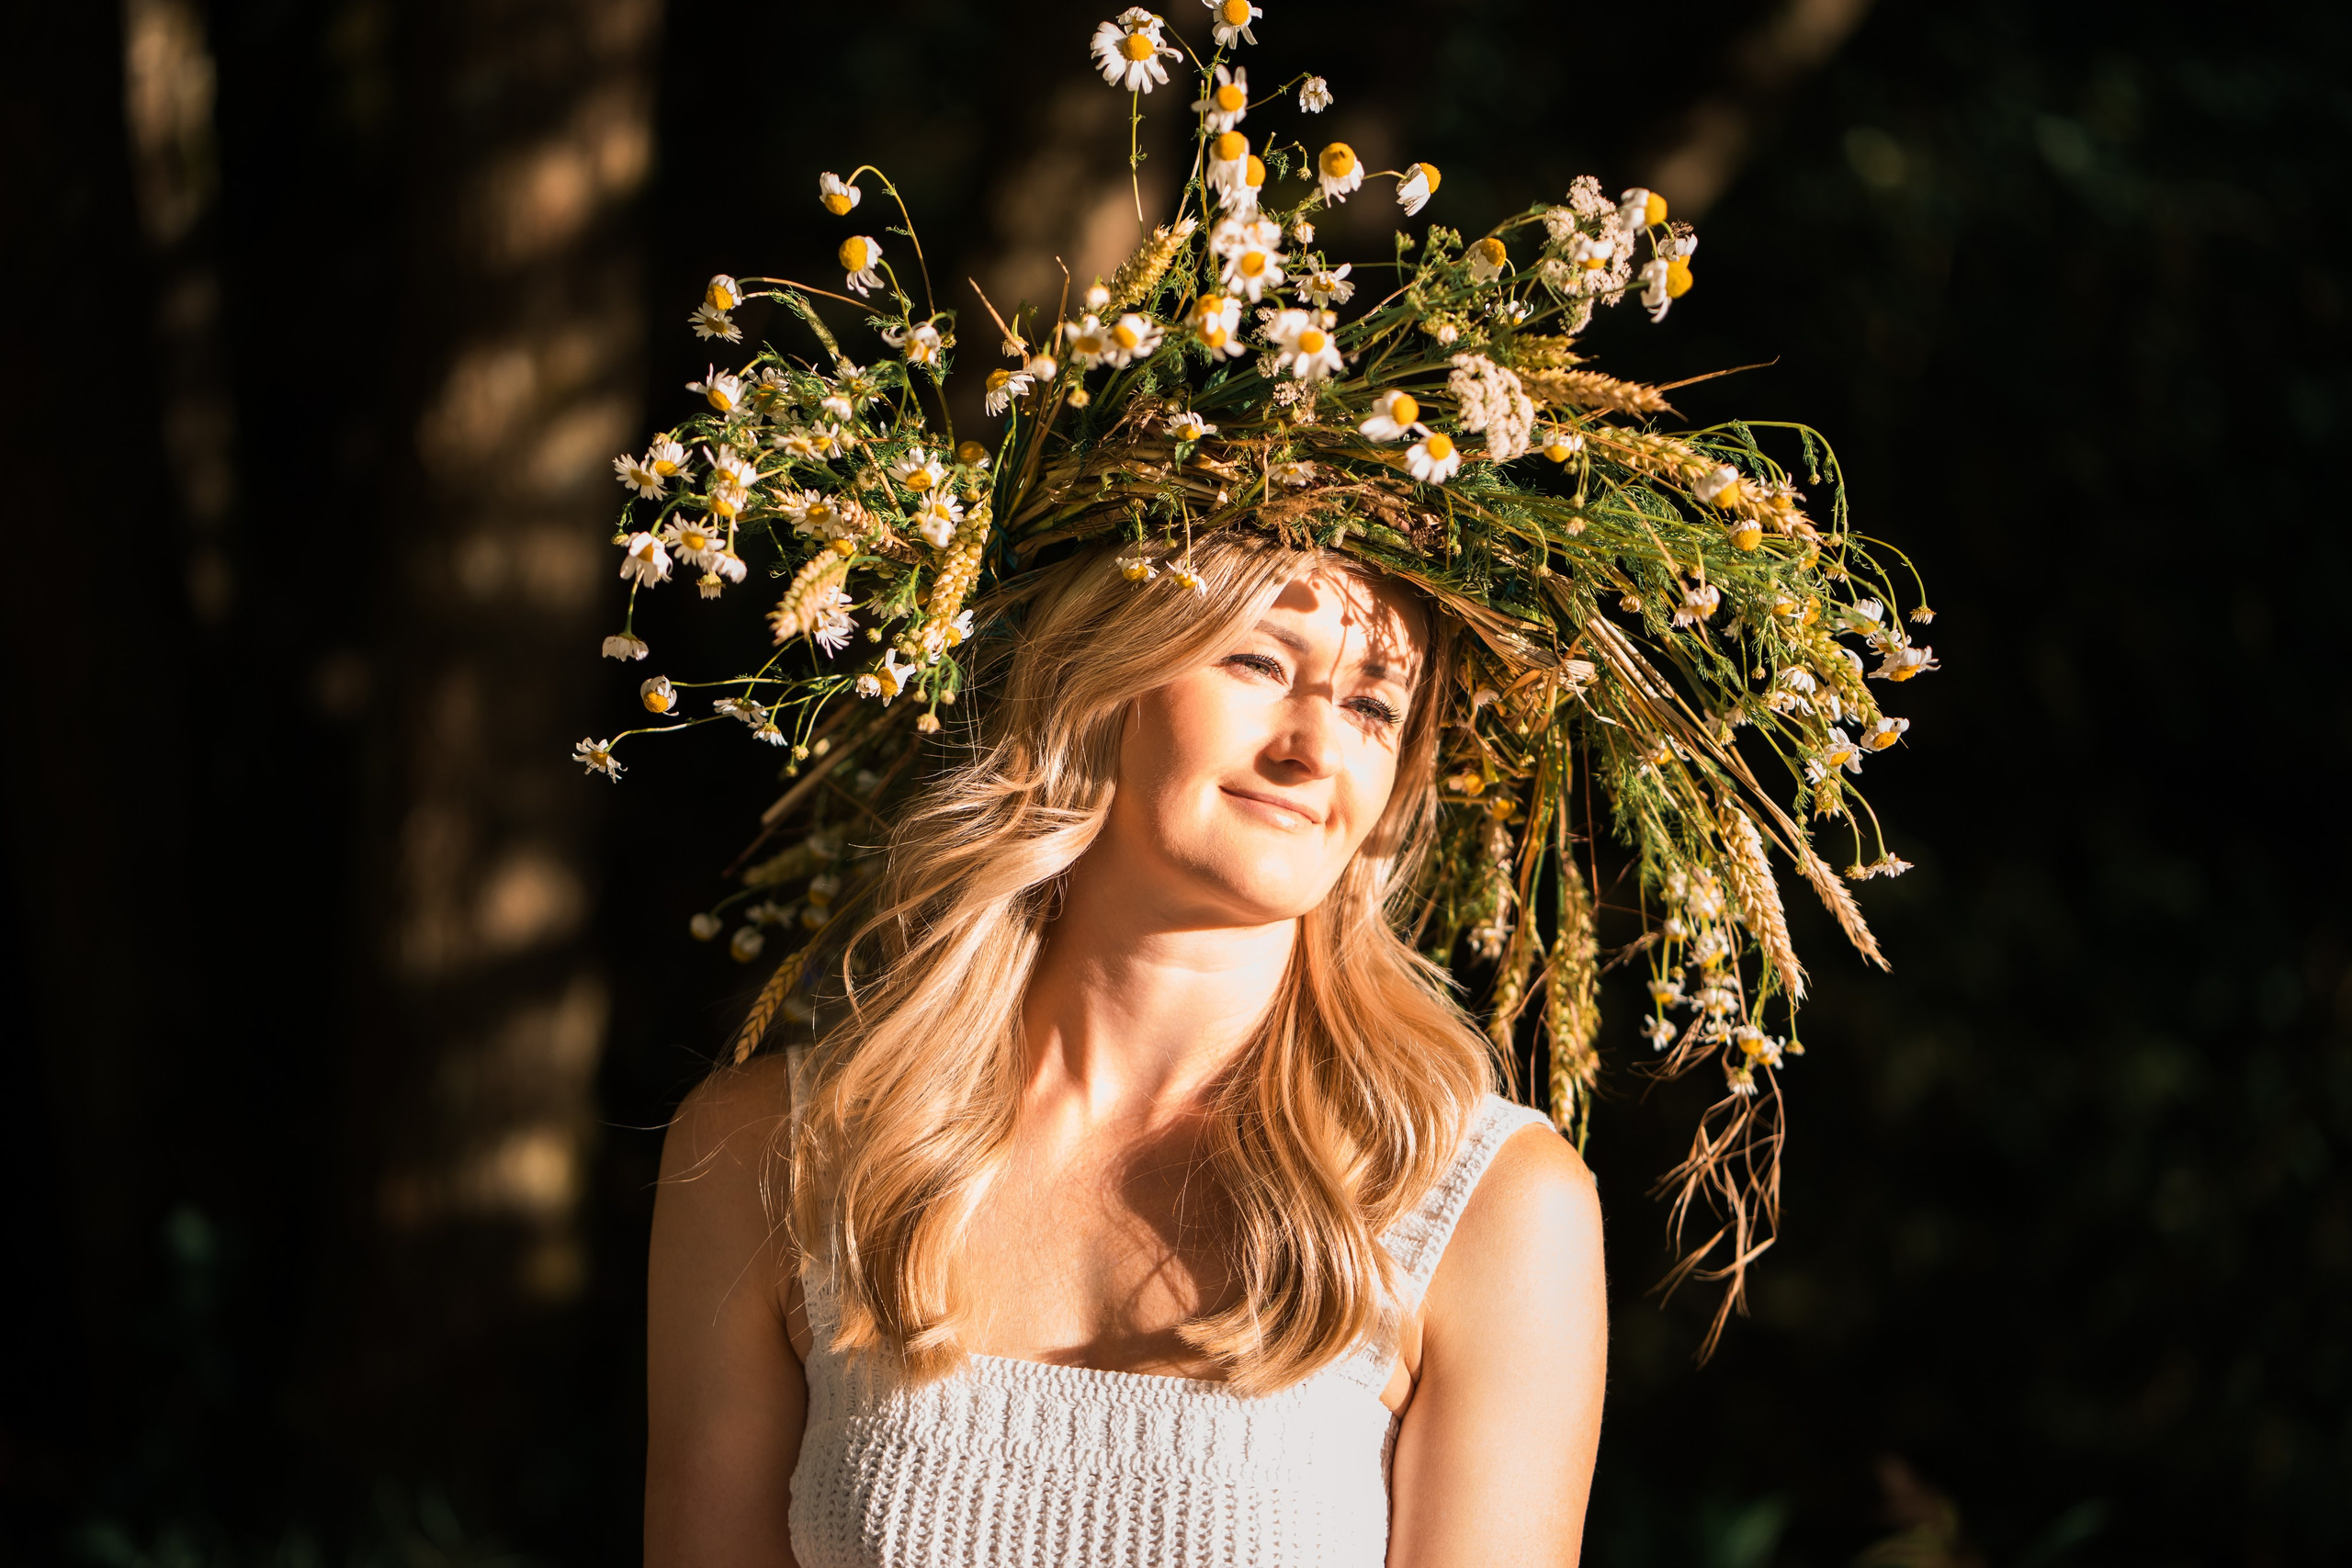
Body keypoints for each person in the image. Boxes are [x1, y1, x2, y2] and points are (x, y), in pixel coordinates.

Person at [644, 535, 1608, 1566]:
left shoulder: (1484, 1202)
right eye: (1260, 662)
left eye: (1373, 706)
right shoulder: (776, 1151)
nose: (1314, 748)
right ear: (1094, 675)